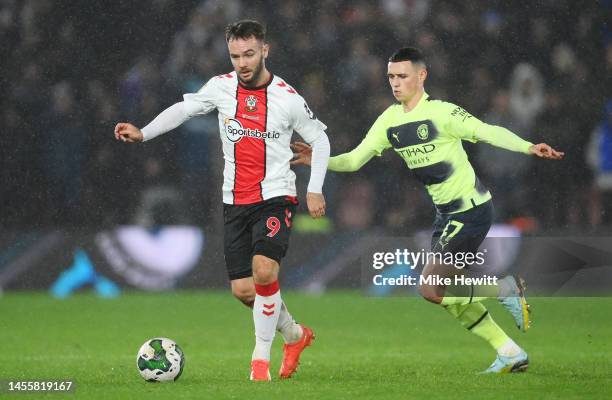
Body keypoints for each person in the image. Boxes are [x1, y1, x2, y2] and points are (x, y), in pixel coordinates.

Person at [291, 47, 563, 373]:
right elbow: (354, 159)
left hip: (470, 210)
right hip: (445, 215)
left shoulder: (442, 112)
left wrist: (528, 146)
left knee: (430, 289)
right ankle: (509, 351)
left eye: (402, 76)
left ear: (421, 76)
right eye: (391, 76)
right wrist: (320, 159)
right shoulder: (389, 120)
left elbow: (486, 131)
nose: (395, 83)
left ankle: (504, 289)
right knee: (449, 297)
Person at [114, 20, 330, 381]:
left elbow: (320, 140)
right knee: (246, 291)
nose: (242, 63)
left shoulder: (287, 98)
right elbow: (184, 109)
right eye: (235, 56)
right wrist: (144, 132)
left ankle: (259, 363)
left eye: (248, 54)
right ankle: (294, 334)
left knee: (265, 271)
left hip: (276, 195)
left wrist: (315, 187)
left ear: (265, 50)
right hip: (234, 201)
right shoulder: (221, 87)